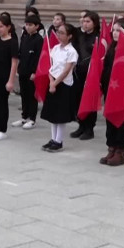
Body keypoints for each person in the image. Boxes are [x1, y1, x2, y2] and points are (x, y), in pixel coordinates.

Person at [41, 24, 79, 152]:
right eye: (58, 32)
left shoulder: (72, 52)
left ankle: (59, 141)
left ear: (69, 36)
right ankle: (53, 139)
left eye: (63, 33)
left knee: (60, 115)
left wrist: (55, 83)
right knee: (53, 114)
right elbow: (50, 66)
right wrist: (51, 81)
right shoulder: (55, 48)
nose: (59, 35)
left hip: (63, 85)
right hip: (53, 82)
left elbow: (66, 71)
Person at [100, 19, 124, 166]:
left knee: (119, 120)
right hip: (109, 89)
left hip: (121, 92)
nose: (115, 33)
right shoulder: (112, 48)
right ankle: (111, 147)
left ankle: (120, 150)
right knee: (110, 118)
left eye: (119, 30)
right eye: (114, 30)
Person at [70, 11, 101, 141]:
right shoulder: (78, 34)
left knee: (90, 101)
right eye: (84, 21)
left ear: (94, 23)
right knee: (77, 100)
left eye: (88, 21)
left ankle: (89, 129)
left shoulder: (99, 36)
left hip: (91, 74)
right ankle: (81, 125)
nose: (85, 24)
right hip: (78, 73)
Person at [14, 15, 44, 129]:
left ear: (36, 26)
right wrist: (18, 68)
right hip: (23, 70)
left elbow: (39, 57)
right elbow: (21, 54)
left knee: (32, 95)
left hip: (32, 72)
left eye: (30, 25)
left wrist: (35, 72)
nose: (28, 27)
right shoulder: (24, 37)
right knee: (24, 94)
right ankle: (24, 116)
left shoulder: (39, 40)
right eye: (26, 24)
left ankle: (32, 119)